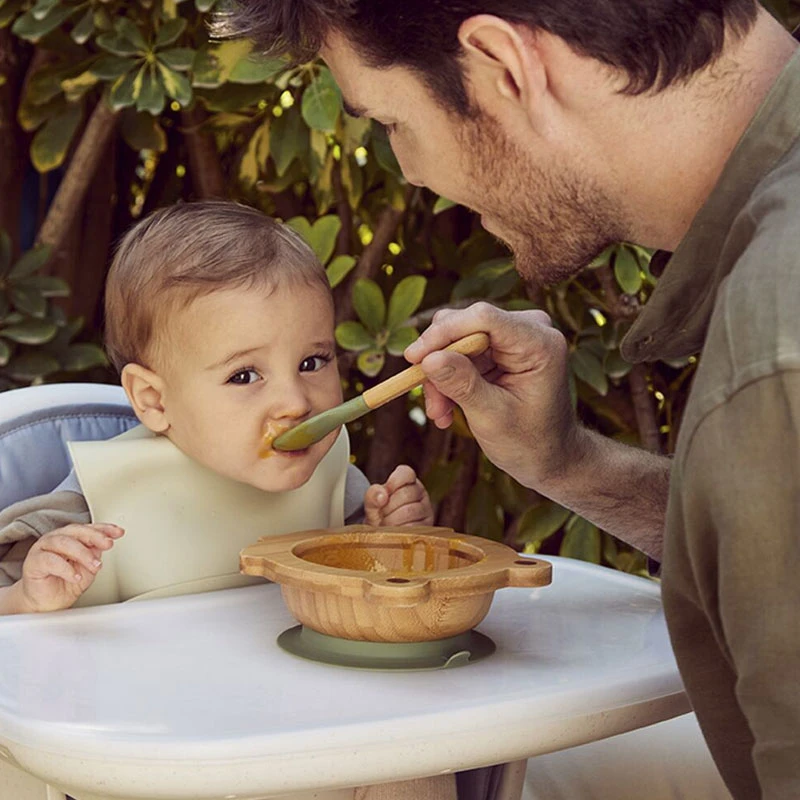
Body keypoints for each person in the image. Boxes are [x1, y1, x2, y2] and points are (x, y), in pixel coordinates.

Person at [215, 2, 800, 799]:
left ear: (504, 68)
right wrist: (570, 464)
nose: (409, 170)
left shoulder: (777, 344)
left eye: (389, 120)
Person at [0, 201, 434, 615]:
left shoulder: (337, 483)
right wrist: (26, 598)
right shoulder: (99, 499)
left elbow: (372, 584)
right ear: (154, 399)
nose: (296, 402)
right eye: (244, 376)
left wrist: (389, 538)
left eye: (311, 363)